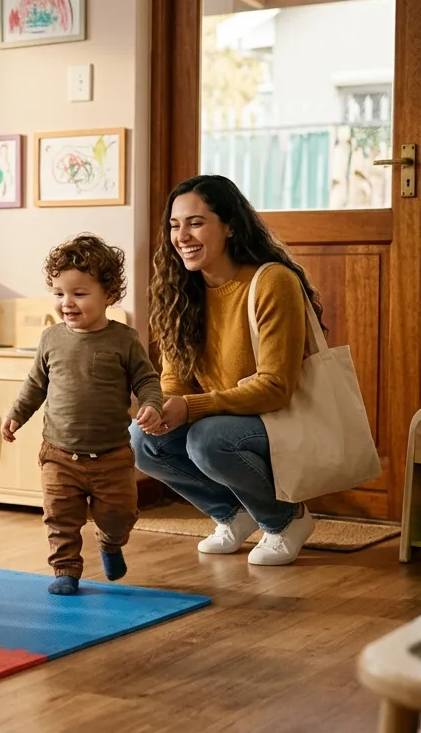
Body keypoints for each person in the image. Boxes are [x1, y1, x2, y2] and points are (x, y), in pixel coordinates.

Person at [132, 174, 321, 565]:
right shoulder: (180, 291)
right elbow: (176, 381)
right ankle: (233, 515)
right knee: (143, 439)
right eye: (174, 225)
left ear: (230, 226)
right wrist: (163, 406)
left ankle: (287, 519)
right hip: (223, 417)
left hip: (278, 417)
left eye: (196, 222)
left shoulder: (272, 281)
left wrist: (192, 407)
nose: (181, 235)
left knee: (208, 438)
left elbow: (276, 387)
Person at [4, 234, 163, 595]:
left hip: (112, 457)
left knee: (119, 516)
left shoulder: (124, 339)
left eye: (79, 293)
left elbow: (147, 379)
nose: (67, 302)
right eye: (59, 293)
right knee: (60, 517)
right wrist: (16, 415)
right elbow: (34, 385)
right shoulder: (51, 339)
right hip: (59, 454)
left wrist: (152, 405)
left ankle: (110, 542)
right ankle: (65, 569)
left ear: (108, 295)